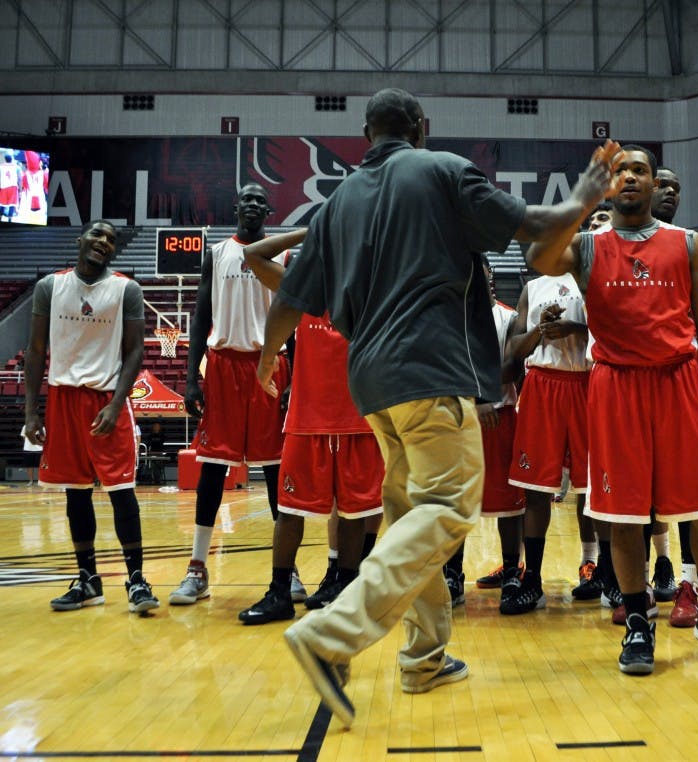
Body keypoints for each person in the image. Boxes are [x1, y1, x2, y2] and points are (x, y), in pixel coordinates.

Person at [259, 88, 617, 728]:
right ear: (422, 127)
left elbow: (290, 294)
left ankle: (425, 657)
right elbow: (534, 227)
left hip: (368, 382)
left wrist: (266, 358)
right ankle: (332, 633)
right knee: (450, 507)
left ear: (364, 133)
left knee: (409, 520)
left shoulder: (335, 201)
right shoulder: (442, 169)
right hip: (428, 366)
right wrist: (586, 195)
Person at [527, 145, 698, 675]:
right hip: (615, 386)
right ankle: (636, 620)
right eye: (619, 171)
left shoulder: (689, 244)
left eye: (639, 171)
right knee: (624, 517)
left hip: (678, 382)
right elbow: (539, 256)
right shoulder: (585, 245)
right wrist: (583, 196)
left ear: (655, 184)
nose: (629, 177)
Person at [237, 229, 384, 624]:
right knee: (289, 510)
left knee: (354, 512)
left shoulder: (373, 285)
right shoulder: (304, 287)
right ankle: (279, 592)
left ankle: (346, 585)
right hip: (307, 417)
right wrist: (313, 228)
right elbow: (253, 254)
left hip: (360, 416)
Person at [168, 183, 294, 606]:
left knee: (276, 472)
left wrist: (294, 380)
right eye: (247, 199)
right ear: (236, 206)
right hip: (222, 367)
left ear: (269, 210)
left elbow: (293, 317)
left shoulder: (284, 255)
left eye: (261, 200)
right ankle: (198, 568)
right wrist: (189, 377)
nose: (254, 205)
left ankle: (287, 569)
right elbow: (201, 312)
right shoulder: (217, 253)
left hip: (269, 364)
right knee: (211, 469)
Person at [23, 219, 158, 613]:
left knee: (121, 492)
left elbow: (135, 351)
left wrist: (117, 404)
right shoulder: (50, 286)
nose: (104, 242)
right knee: (75, 494)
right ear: (80, 240)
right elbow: (34, 350)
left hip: (105, 398)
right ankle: (88, 580)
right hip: (62, 398)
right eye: (97, 235)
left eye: (111, 240)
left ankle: (135, 579)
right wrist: (32, 411)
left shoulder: (125, 289)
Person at [649, 166, 698, 622]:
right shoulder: (603, 244)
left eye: (677, 187)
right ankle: (634, 589)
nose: (669, 192)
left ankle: (695, 586)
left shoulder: (693, 245)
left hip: (684, 380)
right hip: (624, 382)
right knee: (638, 500)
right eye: (663, 184)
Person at [503, 270, 595, 614]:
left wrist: (576, 330)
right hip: (542, 385)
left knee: (592, 487)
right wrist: (540, 330)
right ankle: (534, 580)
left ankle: (595, 569)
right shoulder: (531, 287)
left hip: (587, 381)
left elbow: (611, 331)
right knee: (536, 489)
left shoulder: (590, 277)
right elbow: (514, 349)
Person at [444, 257, 525, 608]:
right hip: (458, 417)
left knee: (509, 505)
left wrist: (486, 398)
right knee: (454, 502)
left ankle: (511, 571)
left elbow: (510, 366)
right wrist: (474, 400)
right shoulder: (448, 316)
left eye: (481, 268)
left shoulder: (508, 316)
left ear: (490, 275)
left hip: (500, 415)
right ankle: (452, 574)